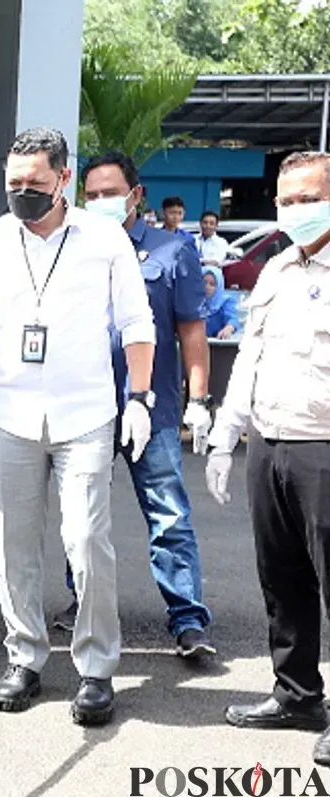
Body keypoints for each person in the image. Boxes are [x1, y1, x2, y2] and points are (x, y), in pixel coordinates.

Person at [0, 128, 155, 725]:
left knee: (86, 541)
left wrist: (140, 397)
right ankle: (26, 657)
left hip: (85, 414)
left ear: (63, 180)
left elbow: (136, 323)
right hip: (11, 413)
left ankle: (95, 669)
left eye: (35, 185)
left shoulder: (104, 239)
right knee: (17, 540)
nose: (23, 194)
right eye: (13, 184)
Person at [61, 151, 215, 658]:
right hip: (87, 408)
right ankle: (80, 604)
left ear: (136, 195)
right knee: (81, 513)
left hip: (154, 410)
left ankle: (188, 619)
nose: (102, 201)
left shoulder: (173, 251)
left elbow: (192, 329)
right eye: (93, 193)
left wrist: (200, 400)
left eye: (111, 191)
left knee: (168, 514)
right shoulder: (72, 251)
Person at [208, 151, 330, 766]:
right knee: (282, 579)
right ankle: (298, 693)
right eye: (285, 200)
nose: (294, 210)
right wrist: (226, 434)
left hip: (325, 447)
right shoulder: (278, 268)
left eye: (308, 198)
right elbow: (248, 358)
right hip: (271, 442)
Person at [202, 266, 239, 339]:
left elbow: (233, 319)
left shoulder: (226, 302)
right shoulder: (194, 302)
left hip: (219, 341)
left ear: (219, 286)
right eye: (204, 283)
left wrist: (228, 329)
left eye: (212, 284)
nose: (207, 287)